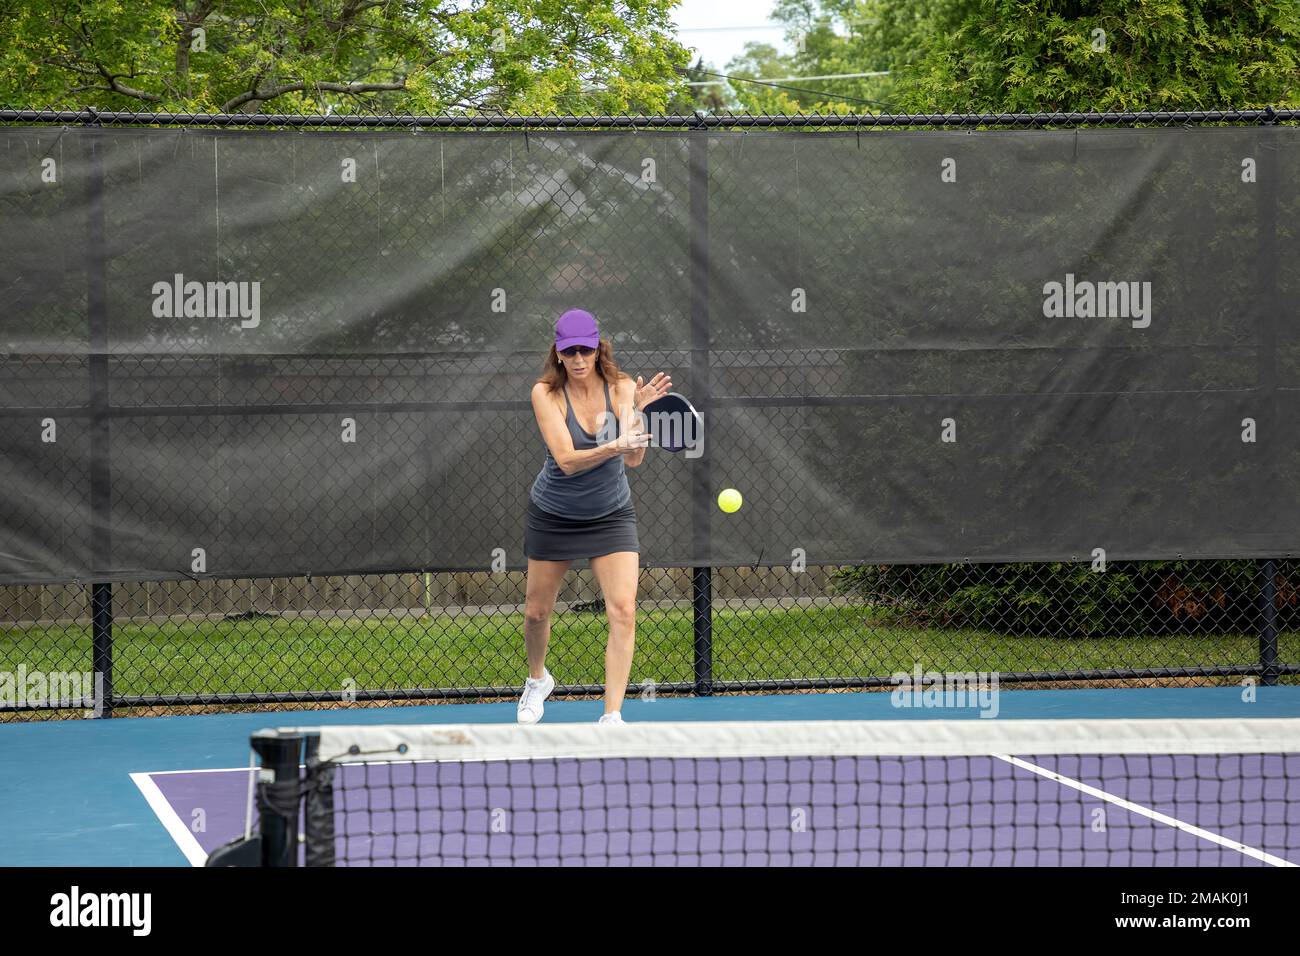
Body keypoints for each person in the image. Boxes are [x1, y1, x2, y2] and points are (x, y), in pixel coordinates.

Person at [519, 308, 670, 725]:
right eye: (570, 352)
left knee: (623, 609)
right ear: (558, 353)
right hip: (554, 514)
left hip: (610, 514)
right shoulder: (544, 394)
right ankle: (537, 680)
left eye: (586, 349)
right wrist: (614, 445)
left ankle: (612, 714)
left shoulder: (621, 388)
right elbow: (566, 460)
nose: (579, 359)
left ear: (599, 347)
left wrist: (639, 412)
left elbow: (635, 457)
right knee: (536, 612)